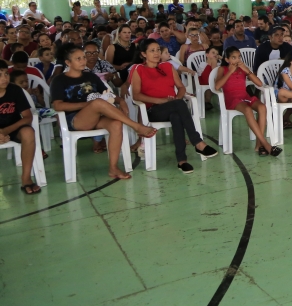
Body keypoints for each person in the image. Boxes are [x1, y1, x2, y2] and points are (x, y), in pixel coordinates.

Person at [51, 44, 156, 179]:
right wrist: (89, 105)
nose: (83, 61)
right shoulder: (59, 80)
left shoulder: (91, 76)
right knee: (98, 103)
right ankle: (136, 126)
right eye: (78, 59)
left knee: (116, 124)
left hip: (96, 117)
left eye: (83, 57)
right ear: (68, 62)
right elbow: (58, 106)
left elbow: (109, 95)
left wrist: (121, 101)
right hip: (74, 120)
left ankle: (113, 168)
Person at [131, 39, 218, 174]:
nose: (156, 53)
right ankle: (197, 142)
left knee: (176, 116)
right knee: (178, 106)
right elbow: (136, 95)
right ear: (143, 54)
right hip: (153, 110)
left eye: (158, 50)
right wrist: (160, 101)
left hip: (172, 106)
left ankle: (182, 161)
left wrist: (176, 100)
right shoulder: (138, 69)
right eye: (152, 51)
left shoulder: (167, 66)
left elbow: (181, 88)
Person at [216, 47, 280, 156]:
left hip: (244, 96)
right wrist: (230, 72)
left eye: (239, 57)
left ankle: (258, 145)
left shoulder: (243, 69)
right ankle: (265, 144)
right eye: (234, 58)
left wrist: (247, 71)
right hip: (232, 99)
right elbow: (217, 86)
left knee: (262, 107)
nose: (237, 60)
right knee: (247, 109)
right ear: (227, 60)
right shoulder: (222, 69)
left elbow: (259, 84)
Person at [0, 65, 42, 194]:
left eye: (6, 74)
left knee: (28, 132)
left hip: (13, 127)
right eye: (0, 75)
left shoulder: (15, 90)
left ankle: (26, 178)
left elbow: (28, 117)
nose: (4, 78)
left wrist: (5, 131)